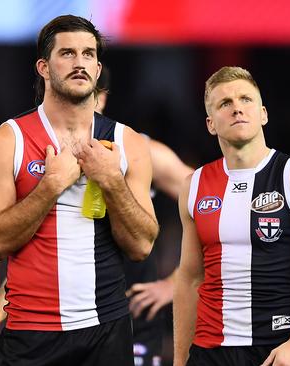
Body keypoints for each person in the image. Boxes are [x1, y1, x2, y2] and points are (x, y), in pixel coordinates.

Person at [0, 15, 159, 366]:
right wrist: (51, 186)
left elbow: (141, 246)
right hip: (31, 332)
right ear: (44, 67)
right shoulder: (5, 140)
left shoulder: (127, 142)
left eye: (88, 54)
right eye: (68, 54)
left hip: (107, 328)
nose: (80, 63)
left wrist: (111, 182)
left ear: (98, 66)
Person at [173, 66, 290, 366]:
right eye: (225, 103)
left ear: (263, 113)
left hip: (279, 349)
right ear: (211, 124)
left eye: (245, 99)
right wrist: (179, 359)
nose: (237, 108)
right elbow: (189, 278)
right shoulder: (194, 185)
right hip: (210, 352)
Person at [96, 66, 194, 366]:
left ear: (100, 98)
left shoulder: (141, 150)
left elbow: (218, 209)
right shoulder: (35, 148)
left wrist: (178, 282)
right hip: (59, 315)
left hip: (131, 314)